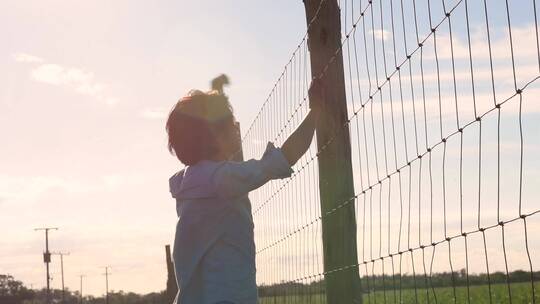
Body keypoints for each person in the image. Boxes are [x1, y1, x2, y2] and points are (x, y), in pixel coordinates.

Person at [166, 74, 323, 304]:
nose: (237, 128)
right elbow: (284, 158)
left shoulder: (188, 183)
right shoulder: (222, 179)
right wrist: (316, 111)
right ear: (215, 135)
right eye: (231, 123)